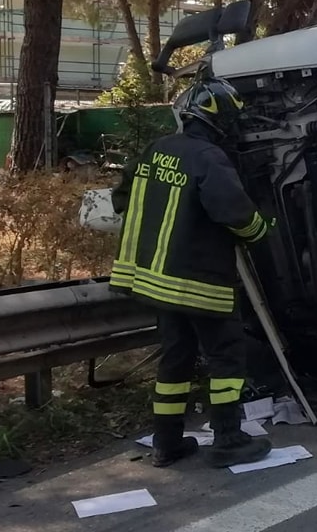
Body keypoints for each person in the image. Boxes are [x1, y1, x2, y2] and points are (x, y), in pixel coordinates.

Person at [110, 75, 275, 469]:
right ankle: (229, 439)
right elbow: (234, 213)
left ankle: (167, 443)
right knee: (226, 358)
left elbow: (120, 199)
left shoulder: (155, 149)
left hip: (152, 280)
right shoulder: (209, 158)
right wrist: (261, 232)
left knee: (175, 359)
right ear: (219, 121)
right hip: (199, 283)